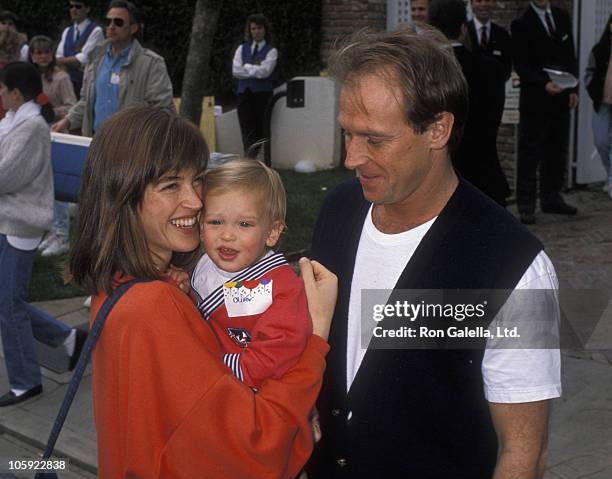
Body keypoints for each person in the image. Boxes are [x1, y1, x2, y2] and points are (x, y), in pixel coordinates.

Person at [306, 28, 560, 478]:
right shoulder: (338, 210)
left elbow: (523, 453)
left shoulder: (516, 267)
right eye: (347, 134)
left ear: (438, 130)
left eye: (374, 140)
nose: (351, 158)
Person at [68, 105, 337, 478]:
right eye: (170, 185)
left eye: (197, 180)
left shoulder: (119, 286)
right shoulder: (153, 306)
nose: (196, 201)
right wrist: (316, 336)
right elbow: (251, 450)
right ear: (123, 197)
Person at [0, 62, 86, 407]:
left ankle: (25, 382)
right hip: (7, 221)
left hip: (20, 223)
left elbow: (6, 177)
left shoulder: (30, 127)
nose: (0, 94)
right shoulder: (12, 122)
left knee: (9, 304)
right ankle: (68, 340)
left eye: (3, 89)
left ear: (16, 93)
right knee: (7, 301)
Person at [190, 158, 310, 388]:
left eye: (244, 224)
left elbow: (273, 357)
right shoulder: (202, 262)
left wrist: (209, 368)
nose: (227, 235)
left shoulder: (278, 288)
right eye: (215, 221)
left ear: (272, 232)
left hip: (247, 392)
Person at [429, 0, 510, 206]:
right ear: (463, 29)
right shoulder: (492, 69)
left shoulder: (427, 72)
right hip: (486, 176)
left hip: (441, 181)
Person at [52, 0, 174, 137]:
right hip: (95, 144)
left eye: (118, 22)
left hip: (131, 148)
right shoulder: (95, 59)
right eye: (108, 22)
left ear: (133, 28)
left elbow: (163, 112)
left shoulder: (152, 64)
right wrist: (67, 121)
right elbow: (86, 102)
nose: (111, 26)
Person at [511, 0, 579, 224]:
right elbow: (521, 63)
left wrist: (573, 88)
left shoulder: (562, 17)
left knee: (557, 148)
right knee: (530, 151)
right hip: (535, 98)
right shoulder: (521, 23)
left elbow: (570, 55)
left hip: (561, 95)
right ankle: (526, 203)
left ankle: (552, 197)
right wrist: (542, 84)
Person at [27, 35, 78, 258]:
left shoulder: (61, 77)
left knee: (57, 187)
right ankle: (51, 229)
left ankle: (62, 234)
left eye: (46, 52)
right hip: (34, 136)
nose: (43, 56)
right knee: (41, 186)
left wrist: (47, 109)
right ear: (32, 56)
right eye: (38, 52)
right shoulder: (29, 77)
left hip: (55, 134)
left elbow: (71, 107)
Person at [233, 13, 278, 157]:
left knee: (260, 128)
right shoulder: (242, 48)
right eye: (253, 28)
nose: (256, 31)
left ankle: (256, 157)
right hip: (244, 94)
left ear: (265, 30)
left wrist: (246, 67)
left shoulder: (271, 51)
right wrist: (254, 69)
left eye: (259, 28)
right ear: (249, 30)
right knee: (246, 127)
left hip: (262, 94)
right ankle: (249, 156)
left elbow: (265, 72)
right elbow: (236, 71)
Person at [55, 0, 104, 99]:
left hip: (86, 85)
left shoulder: (96, 31)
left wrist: (63, 62)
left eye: (78, 6)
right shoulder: (67, 31)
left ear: (87, 9)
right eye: (71, 6)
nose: (73, 9)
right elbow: (58, 57)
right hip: (67, 85)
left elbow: (83, 60)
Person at [585, 14, 612, 198]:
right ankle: (609, 173)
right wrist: (592, 88)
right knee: (601, 141)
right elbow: (589, 73)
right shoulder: (600, 49)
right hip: (602, 103)